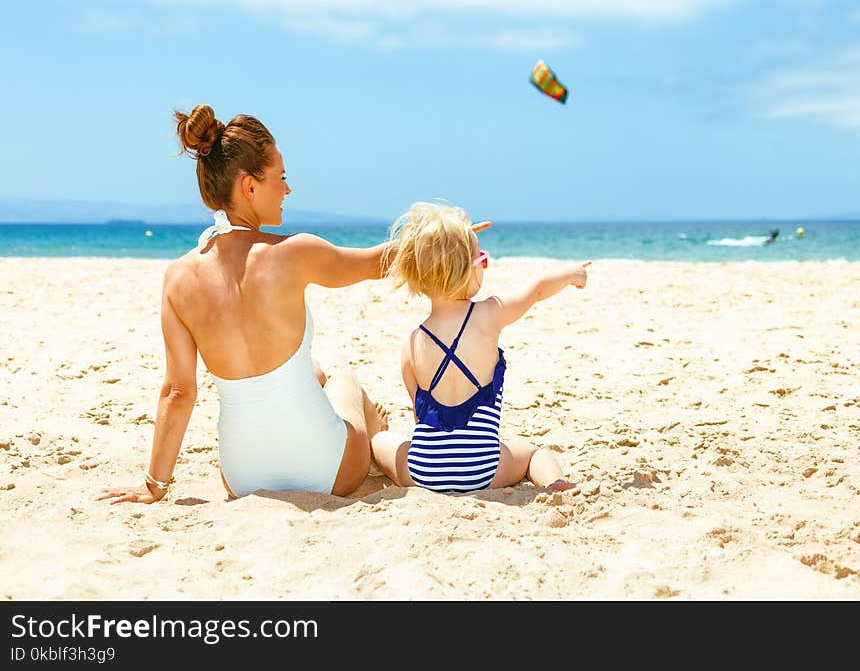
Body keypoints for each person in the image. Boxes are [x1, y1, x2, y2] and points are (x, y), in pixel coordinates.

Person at [97, 105, 487, 505]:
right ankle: (374, 431)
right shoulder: (294, 253)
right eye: (281, 178)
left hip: (242, 476)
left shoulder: (177, 278)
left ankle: (354, 421)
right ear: (249, 187)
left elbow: (177, 392)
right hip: (328, 469)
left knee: (311, 372)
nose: (288, 189)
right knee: (343, 381)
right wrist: (447, 241)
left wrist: (153, 486)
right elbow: (378, 263)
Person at [371, 201, 585, 494]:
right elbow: (536, 289)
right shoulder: (489, 315)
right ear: (465, 269)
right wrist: (573, 274)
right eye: (482, 259)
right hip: (481, 469)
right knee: (534, 453)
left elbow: (419, 418)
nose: (485, 265)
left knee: (380, 442)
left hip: (425, 471)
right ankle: (555, 483)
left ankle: (377, 438)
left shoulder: (411, 344)